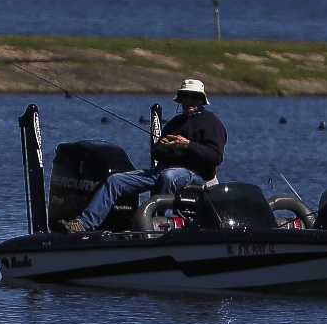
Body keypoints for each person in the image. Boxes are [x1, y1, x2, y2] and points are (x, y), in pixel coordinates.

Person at [60, 78, 227, 234]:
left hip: (195, 175)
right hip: (163, 170)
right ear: (180, 99)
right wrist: (164, 147)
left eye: (194, 97)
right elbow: (156, 153)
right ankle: (84, 223)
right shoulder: (175, 123)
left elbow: (215, 157)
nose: (189, 101)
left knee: (169, 177)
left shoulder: (211, 123)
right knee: (115, 181)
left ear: (201, 100)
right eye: (185, 96)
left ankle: (158, 225)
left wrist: (188, 145)